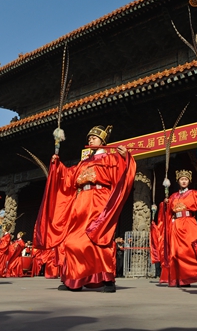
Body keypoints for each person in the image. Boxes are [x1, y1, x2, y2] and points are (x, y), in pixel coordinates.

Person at [35, 125, 136, 292]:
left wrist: (126, 157)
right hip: (80, 203)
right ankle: (75, 278)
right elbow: (68, 178)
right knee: (72, 242)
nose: (90, 139)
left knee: (99, 240)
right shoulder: (83, 163)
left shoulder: (111, 158)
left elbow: (124, 173)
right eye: (89, 137)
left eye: (94, 138)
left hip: (99, 201)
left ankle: (107, 279)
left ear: (103, 141)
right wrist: (57, 165)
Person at [151, 170, 197, 287]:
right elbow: (168, 212)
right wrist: (165, 204)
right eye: (182, 179)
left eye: (186, 179)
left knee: (194, 251)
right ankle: (183, 278)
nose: (184, 181)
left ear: (189, 181)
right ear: (178, 181)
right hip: (176, 226)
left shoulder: (194, 194)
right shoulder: (173, 196)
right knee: (177, 254)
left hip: (189, 224)